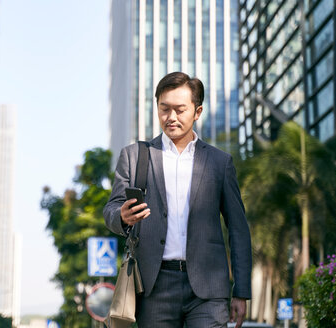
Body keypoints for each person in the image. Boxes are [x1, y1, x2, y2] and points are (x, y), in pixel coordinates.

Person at [104, 72, 252, 328]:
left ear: (197, 111)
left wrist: (242, 290)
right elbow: (111, 209)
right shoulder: (135, 156)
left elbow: (238, 230)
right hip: (153, 287)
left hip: (209, 291)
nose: (171, 117)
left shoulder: (219, 163)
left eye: (180, 110)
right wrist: (122, 217)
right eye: (165, 109)